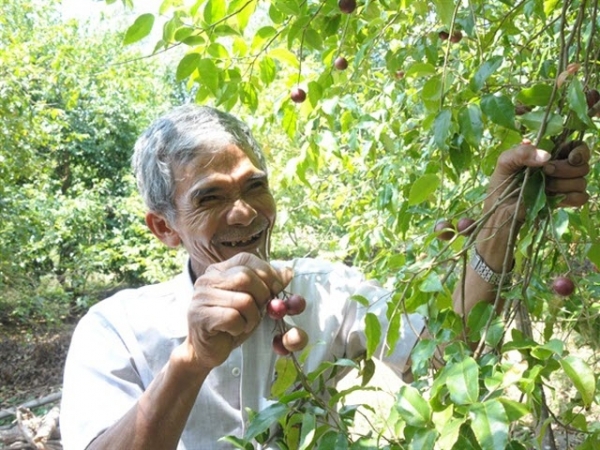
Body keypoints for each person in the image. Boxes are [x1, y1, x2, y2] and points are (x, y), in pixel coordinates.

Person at [60, 104, 591, 450]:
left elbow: (450, 340)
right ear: (164, 227)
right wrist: (191, 360)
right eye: (211, 197)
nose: (245, 213)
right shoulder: (116, 328)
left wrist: (504, 214)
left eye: (253, 186)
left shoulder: (324, 290)